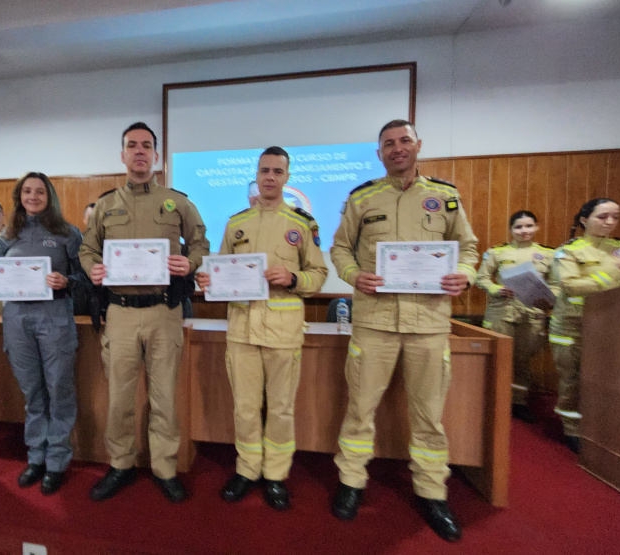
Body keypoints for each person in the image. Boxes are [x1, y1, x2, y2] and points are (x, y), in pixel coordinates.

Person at [329, 120, 478, 542]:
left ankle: (432, 492)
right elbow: (340, 247)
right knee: (360, 408)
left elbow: (467, 247)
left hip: (429, 322)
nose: (397, 149)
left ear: (418, 146)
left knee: (429, 415)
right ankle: (351, 482)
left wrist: (464, 274)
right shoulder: (362, 197)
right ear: (379, 153)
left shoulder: (444, 197)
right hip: (374, 322)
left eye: (404, 141)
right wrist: (354, 275)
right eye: (389, 144)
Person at [79, 122, 209, 503]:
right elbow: (87, 251)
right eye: (132, 146)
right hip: (119, 312)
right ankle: (120, 464)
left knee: (164, 396)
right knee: (119, 397)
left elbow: (201, 242)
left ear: (156, 156)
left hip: (162, 311)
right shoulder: (105, 205)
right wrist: (93, 269)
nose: (139, 152)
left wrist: (190, 261)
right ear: (122, 155)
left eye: (146, 146)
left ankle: (165, 467)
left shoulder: (177, 201)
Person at [195, 147, 327, 510]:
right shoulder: (236, 222)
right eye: (264, 170)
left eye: (277, 171)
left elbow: (318, 274)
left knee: (281, 408)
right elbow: (219, 270)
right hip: (241, 329)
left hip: (284, 331)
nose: (270, 177)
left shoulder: (303, 224)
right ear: (256, 174)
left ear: (287, 177)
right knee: (245, 407)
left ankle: (276, 475)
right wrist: (207, 278)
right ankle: (247, 469)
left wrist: (293, 276)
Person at [0, 172, 85, 494]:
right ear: (19, 196)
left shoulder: (68, 233)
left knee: (58, 390)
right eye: (27, 191)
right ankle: (35, 457)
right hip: (17, 320)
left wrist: (67, 281)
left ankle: (56, 461)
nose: (33, 196)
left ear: (49, 196)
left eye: (40, 191)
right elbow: (3, 275)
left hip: (55, 319)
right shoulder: (9, 235)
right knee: (33, 394)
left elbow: (86, 276)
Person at [548, 198, 620, 453]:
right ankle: (573, 428)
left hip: (616, 325)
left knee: (611, 379)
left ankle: (604, 427)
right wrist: (615, 271)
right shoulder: (569, 251)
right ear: (584, 220)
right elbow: (571, 286)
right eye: (602, 217)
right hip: (573, 324)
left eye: (616, 216)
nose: (610, 222)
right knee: (573, 378)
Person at [476, 210, 554, 423]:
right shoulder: (497, 252)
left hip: (533, 313)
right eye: (518, 227)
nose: (524, 230)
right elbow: (481, 278)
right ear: (511, 230)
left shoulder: (549, 254)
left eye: (529, 226)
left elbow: (556, 284)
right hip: (502, 311)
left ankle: (518, 402)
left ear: (537, 227)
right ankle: (494, 402)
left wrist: (549, 297)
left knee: (523, 360)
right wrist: (495, 289)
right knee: (498, 357)